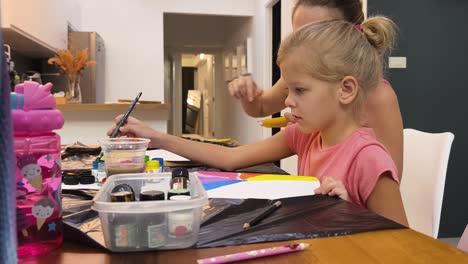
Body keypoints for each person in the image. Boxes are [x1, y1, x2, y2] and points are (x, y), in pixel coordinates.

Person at [108, 17, 408, 226]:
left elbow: (402, 247)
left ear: (346, 90)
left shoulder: (368, 158)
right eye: (288, 89)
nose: (288, 101)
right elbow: (231, 158)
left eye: (299, 90)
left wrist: (348, 214)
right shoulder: (305, 135)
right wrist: (155, 137)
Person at [228, 0, 404, 179]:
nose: (304, 44)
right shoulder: (299, 80)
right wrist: (248, 95)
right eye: (299, 34)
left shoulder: (379, 96)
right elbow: (260, 107)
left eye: (317, 33)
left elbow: (388, 178)